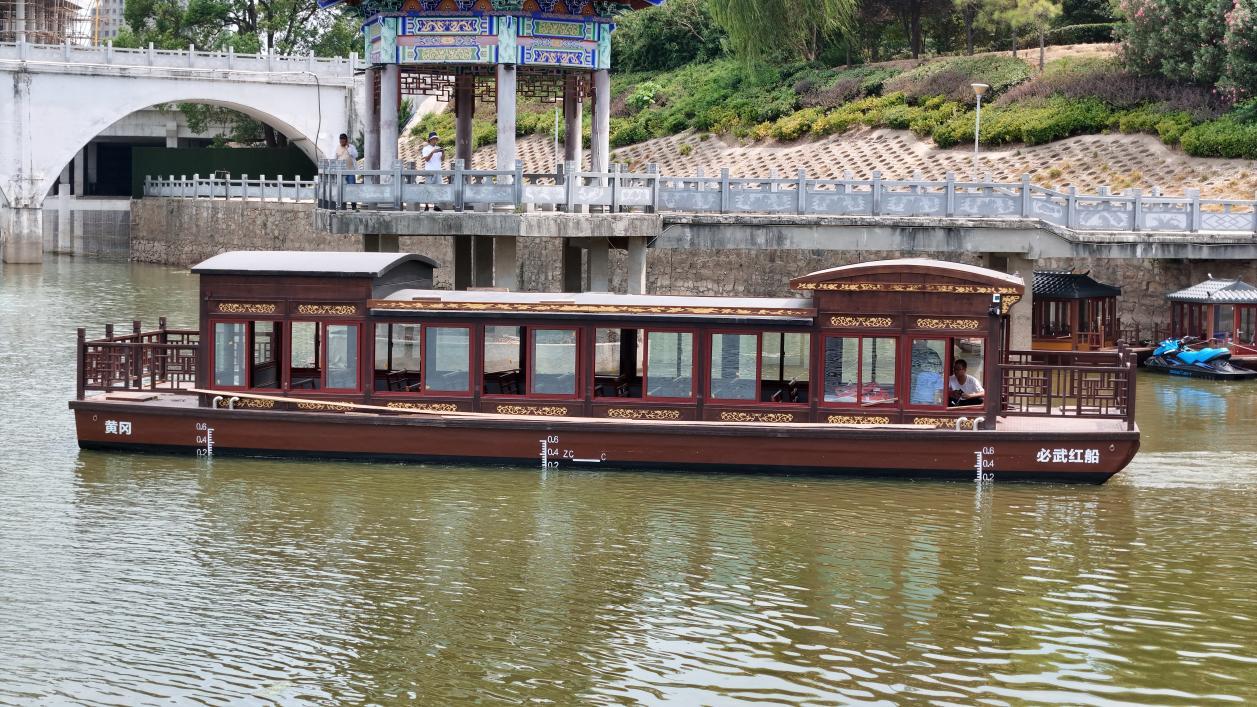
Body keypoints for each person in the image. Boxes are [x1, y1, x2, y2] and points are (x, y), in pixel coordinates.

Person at [420, 131, 444, 212]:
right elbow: (426, 159)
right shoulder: (426, 149)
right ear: (429, 140)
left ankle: (436, 205)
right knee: (428, 189)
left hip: (438, 171)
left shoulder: (438, 148)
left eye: (436, 139)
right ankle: (426, 205)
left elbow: (442, 159)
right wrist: (432, 152)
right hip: (429, 172)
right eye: (433, 139)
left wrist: (443, 152)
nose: (435, 140)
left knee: (438, 188)